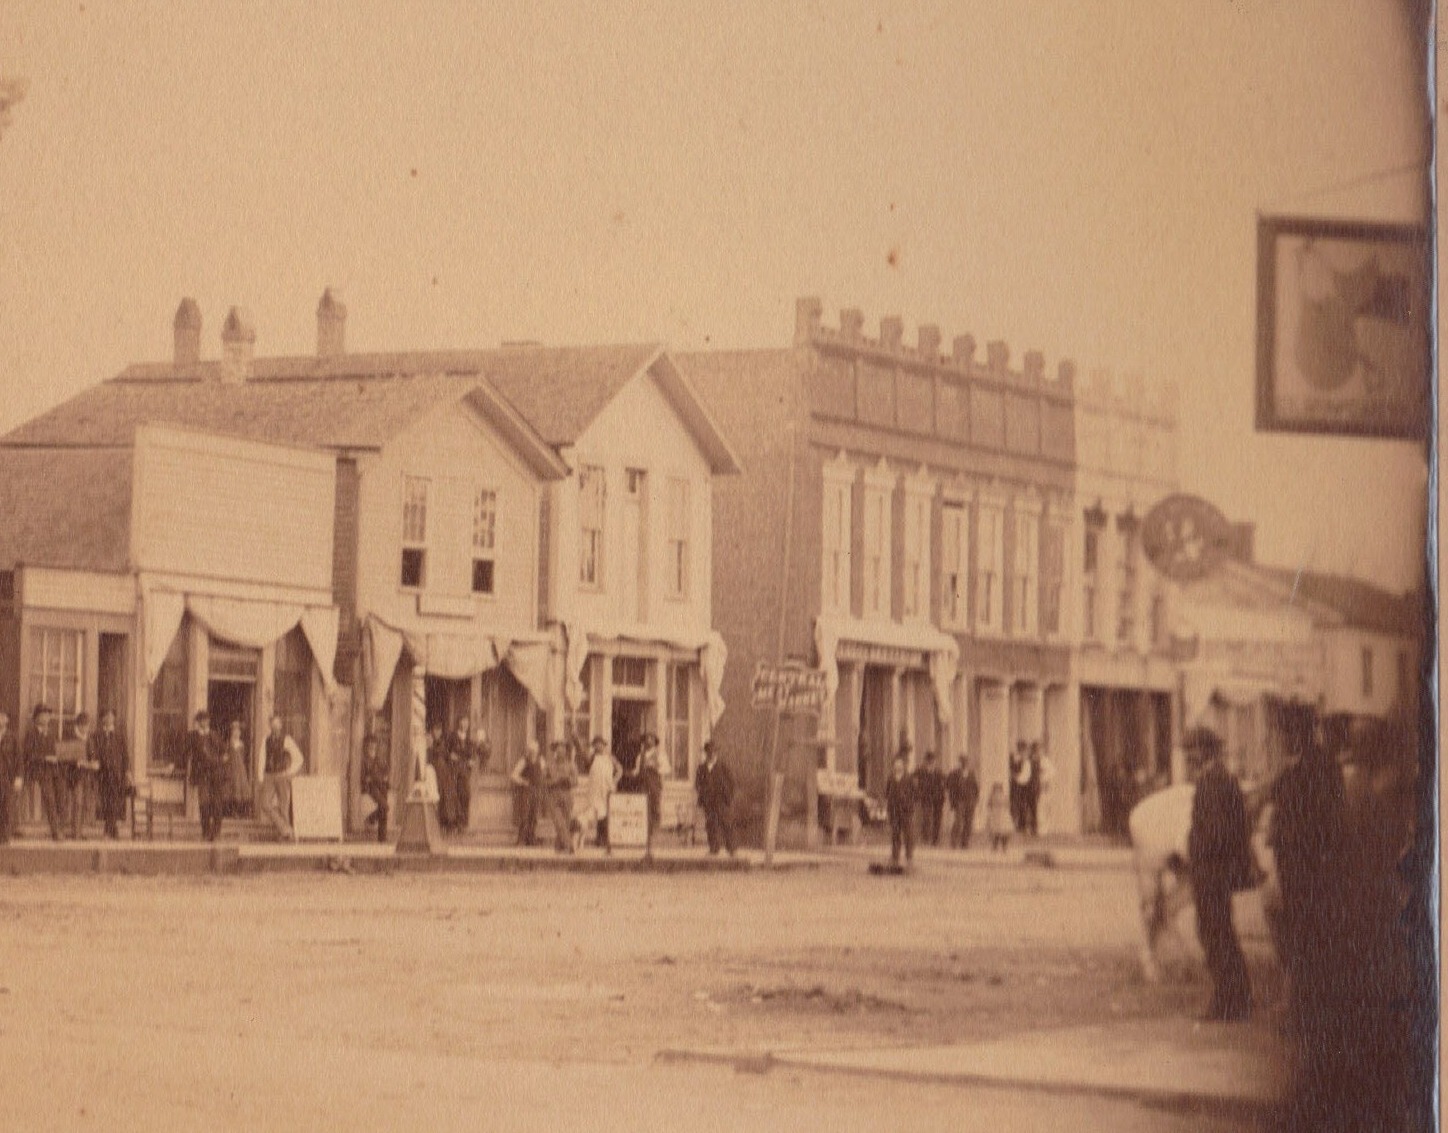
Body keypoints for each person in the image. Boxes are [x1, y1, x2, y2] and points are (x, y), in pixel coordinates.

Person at [1185, 726, 1253, 1023]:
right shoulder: (1221, 778)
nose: (1189, 757)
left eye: (1192, 750)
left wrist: (1195, 849)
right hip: (1218, 870)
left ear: (1205, 751)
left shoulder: (1212, 782)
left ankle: (1228, 1001)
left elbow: (1215, 831)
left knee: (1214, 933)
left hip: (1212, 871)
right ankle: (1239, 997)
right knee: (1221, 932)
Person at [258, 714, 302, 842]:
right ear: (270, 726)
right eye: (273, 724)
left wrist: (290, 771)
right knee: (265, 803)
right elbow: (262, 759)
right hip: (269, 776)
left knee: (283, 806)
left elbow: (299, 757)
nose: (275, 726)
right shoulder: (265, 740)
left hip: (282, 775)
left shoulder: (287, 740)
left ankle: (286, 836)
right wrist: (260, 777)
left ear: (281, 725)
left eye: (277, 724)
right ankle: (285, 829)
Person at [187, 711, 229, 842]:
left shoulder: (215, 735)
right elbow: (185, 752)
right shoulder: (193, 736)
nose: (204, 722)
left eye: (206, 720)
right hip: (202, 775)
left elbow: (225, 752)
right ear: (198, 722)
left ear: (209, 721)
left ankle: (216, 832)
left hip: (216, 774)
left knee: (217, 804)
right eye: (201, 720)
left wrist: (222, 760)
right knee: (204, 803)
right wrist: (173, 765)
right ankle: (205, 832)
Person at [24, 704, 63, 840]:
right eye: (43, 715)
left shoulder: (52, 734)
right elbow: (28, 755)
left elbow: (58, 750)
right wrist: (46, 758)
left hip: (53, 771)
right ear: (36, 718)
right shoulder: (31, 734)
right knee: (50, 798)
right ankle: (55, 831)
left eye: (48, 715)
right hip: (38, 770)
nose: (46, 718)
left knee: (61, 794)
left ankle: (60, 826)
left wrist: (59, 757)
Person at [90, 709, 129, 840]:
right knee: (106, 802)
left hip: (117, 774)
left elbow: (125, 755)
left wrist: (127, 772)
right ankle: (113, 830)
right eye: (106, 716)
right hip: (102, 774)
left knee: (114, 802)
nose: (109, 719)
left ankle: (108, 830)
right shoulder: (96, 735)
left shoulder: (119, 736)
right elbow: (93, 753)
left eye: (111, 716)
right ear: (102, 719)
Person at [694, 739, 736, 856]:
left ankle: (731, 849)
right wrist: (703, 795)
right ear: (706, 753)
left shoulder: (723, 767)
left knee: (726, 823)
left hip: (721, 801)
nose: (711, 754)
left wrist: (727, 797)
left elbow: (732, 782)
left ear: (716, 753)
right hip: (708, 802)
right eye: (709, 752)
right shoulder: (701, 768)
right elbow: (698, 784)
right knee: (711, 824)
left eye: (713, 752)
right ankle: (714, 848)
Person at [580, 736, 621, 851]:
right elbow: (584, 756)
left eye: (600, 744)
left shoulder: (610, 757)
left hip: (607, 788)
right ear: (594, 746)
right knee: (596, 812)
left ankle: (605, 838)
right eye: (596, 744)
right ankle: (598, 838)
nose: (598, 746)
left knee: (606, 813)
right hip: (595, 789)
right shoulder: (592, 757)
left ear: (604, 745)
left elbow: (619, 769)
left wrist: (614, 780)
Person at [542, 740, 582, 853]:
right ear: (555, 751)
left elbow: (576, 781)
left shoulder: (571, 765)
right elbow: (542, 781)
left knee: (566, 823)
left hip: (567, 795)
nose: (560, 752)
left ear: (566, 751)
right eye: (558, 750)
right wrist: (554, 781)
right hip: (553, 796)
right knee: (559, 822)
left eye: (563, 749)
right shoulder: (549, 765)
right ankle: (569, 845)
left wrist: (568, 780)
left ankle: (559, 846)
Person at [68, 712, 97, 839]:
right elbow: (68, 758)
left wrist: (93, 763)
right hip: (76, 776)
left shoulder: (89, 739)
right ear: (78, 725)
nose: (85, 728)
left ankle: (80, 831)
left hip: (88, 776)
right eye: (83, 725)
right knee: (78, 803)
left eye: (87, 725)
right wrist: (80, 763)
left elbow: (93, 755)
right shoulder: (72, 738)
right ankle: (75, 832)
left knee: (85, 803)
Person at [510, 742, 545, 846]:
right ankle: (521, 839)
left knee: (534, 815)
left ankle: (531, 839)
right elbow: (514, 775)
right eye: (531, 750)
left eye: (535, 750)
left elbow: (543, 773)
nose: (533, 752)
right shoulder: (523, 761)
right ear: (528, 751)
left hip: (537, 790)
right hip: (527, 791)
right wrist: (523, 781)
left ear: (537, 750)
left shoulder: (541, 761)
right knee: (525, 814)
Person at [885, 755, 916, 867]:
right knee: (895, 834)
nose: (897, 767)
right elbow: (887, 793)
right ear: (893, 766)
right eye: (896, 765)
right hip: (894, 810)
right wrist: (889, 807)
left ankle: (909, 856)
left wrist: (909, 805)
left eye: (900, 764)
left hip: (906, 811)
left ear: (903, 766)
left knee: (908, 834)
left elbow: (914, 794)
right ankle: (895, 856)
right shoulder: (891, 778)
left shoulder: (909, 778)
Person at [359, 734, 390, 843]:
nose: (372, 748)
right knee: (385, 806)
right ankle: (371, 818)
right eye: (370, 746)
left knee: (383, 809)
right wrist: (375, 777)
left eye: (374, 745)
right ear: (366, 747)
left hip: (381, 786)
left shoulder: (378, 759)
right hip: (371, 787)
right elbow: (365, 778)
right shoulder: (364, 761)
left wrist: (383, 776)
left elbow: (385, 770)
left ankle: (382, 838)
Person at [446, 717, 475, 833]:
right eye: (463, 721)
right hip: (453, 770)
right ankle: (452, 823)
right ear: (459, 722)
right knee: (454, 795)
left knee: (465, 794)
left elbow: (472, 755)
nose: (465, 724)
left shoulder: (469, 740)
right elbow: (446, 751)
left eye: (467, 722)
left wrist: (471, 761)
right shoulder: (452, 737)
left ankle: (463, 824)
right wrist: (450, 756)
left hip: (464, 771)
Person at [638, 734, 664, 858]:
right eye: (646, 739)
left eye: (651, 739)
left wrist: (656, 767)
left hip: (654, 786)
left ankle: (654, 838)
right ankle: (646, 838)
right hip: (644, 786)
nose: (648, 741)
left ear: (654, 742)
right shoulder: (641, 756)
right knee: (644, 811)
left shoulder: (660, 755)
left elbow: (666, 769)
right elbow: (637, 770)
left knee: (655, 810)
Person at [945, 755, 980, 849]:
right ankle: (954, 841)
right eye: (962, 762)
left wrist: (975, 800)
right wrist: (953, 801)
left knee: (969, 822)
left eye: (966, 762)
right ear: (960, 763)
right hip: (959, 801)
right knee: (958, 821)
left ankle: (965, 843)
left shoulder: (971, 773)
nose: (964, 764)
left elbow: (976, 787)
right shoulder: (954, 773)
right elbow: (949, 786)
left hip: (970, 801)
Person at [427, 721, 455, 832]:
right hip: (433, 773)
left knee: (447, 795)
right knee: (437, 795)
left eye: (439, 730)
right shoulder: (430, 743)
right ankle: (438, 823)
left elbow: (447, 756)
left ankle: (448, 823)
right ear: (432, 731)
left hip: (444, 774)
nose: (437, 732)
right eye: (435, 730)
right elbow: (428, 757)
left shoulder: (442, 743)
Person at [914, 751, 946, 846]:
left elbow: (945, 782)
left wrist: (942, 791)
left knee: (937, 819)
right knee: (926, 817)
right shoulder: (920, 771)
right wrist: (918, 791)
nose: (931, 764)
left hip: (938, 799)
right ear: (926, 762)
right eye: (929, 761)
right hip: (926, 798)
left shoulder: (938, 772)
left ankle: (935, 839)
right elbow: (913, 780)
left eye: (932, 761)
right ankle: (925, 837)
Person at [223, 720, 252, 818]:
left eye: (238, 731)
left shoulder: (241, 744)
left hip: (240, 769)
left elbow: (243, 756)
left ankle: (241, 811)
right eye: (234, 731)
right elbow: (226, 756)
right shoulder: (228, 743)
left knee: (240, 789)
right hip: (231, 768)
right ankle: (232, 811)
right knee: (231, 789)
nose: (236, 733)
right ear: (231, 732)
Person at [0, 712, 21, 844]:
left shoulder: (12, 738)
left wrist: (18, 777)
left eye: (3, 717)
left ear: (7, 720)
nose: (0, 719)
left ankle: (4, 836)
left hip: (7, 777)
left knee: (6, 806)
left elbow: (18, 758)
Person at [1034, 745, 1057, 837]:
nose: (1038, 753)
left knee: (1044, 806)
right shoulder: (1037, 761)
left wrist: (1046, 781)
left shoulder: (1045, 761)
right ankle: (1041, 829)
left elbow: (1052, 773)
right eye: (1036, 751)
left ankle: (1044, 828)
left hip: (1045, 787)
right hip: (1040, 787)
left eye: (1039, 750)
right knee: (1040, 807)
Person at [986, 781, 1013, 852]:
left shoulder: (1004, 796)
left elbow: (1008, 805)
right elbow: (989, 805)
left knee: (1004, 832)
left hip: (1003, 815)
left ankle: (1004, 846)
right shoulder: (992, 796)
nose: (997, 791)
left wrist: (1005, 811)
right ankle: (995, 846)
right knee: (995, 832)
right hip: (995, 815)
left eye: (999, 789)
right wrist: (991, 812)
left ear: (1001, 789)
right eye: (996, 789)